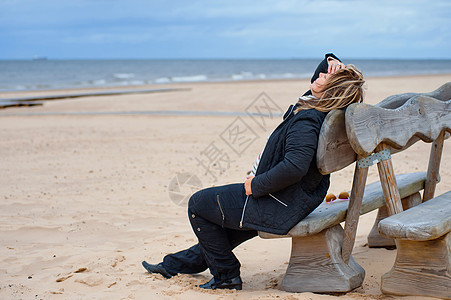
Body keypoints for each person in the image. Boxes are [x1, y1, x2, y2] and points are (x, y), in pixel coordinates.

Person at [142, 53, 365, 290]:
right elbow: (319, 81)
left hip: (277, 201)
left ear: (331, 90)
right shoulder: (322, 110)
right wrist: (332, 61)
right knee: (225, 226)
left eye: (326, 75)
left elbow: (294, 166)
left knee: (198, 204)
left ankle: (226, 276)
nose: (321, 73)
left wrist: (256, 186)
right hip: (296, 198)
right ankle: (175, 264)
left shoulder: (307, 120)